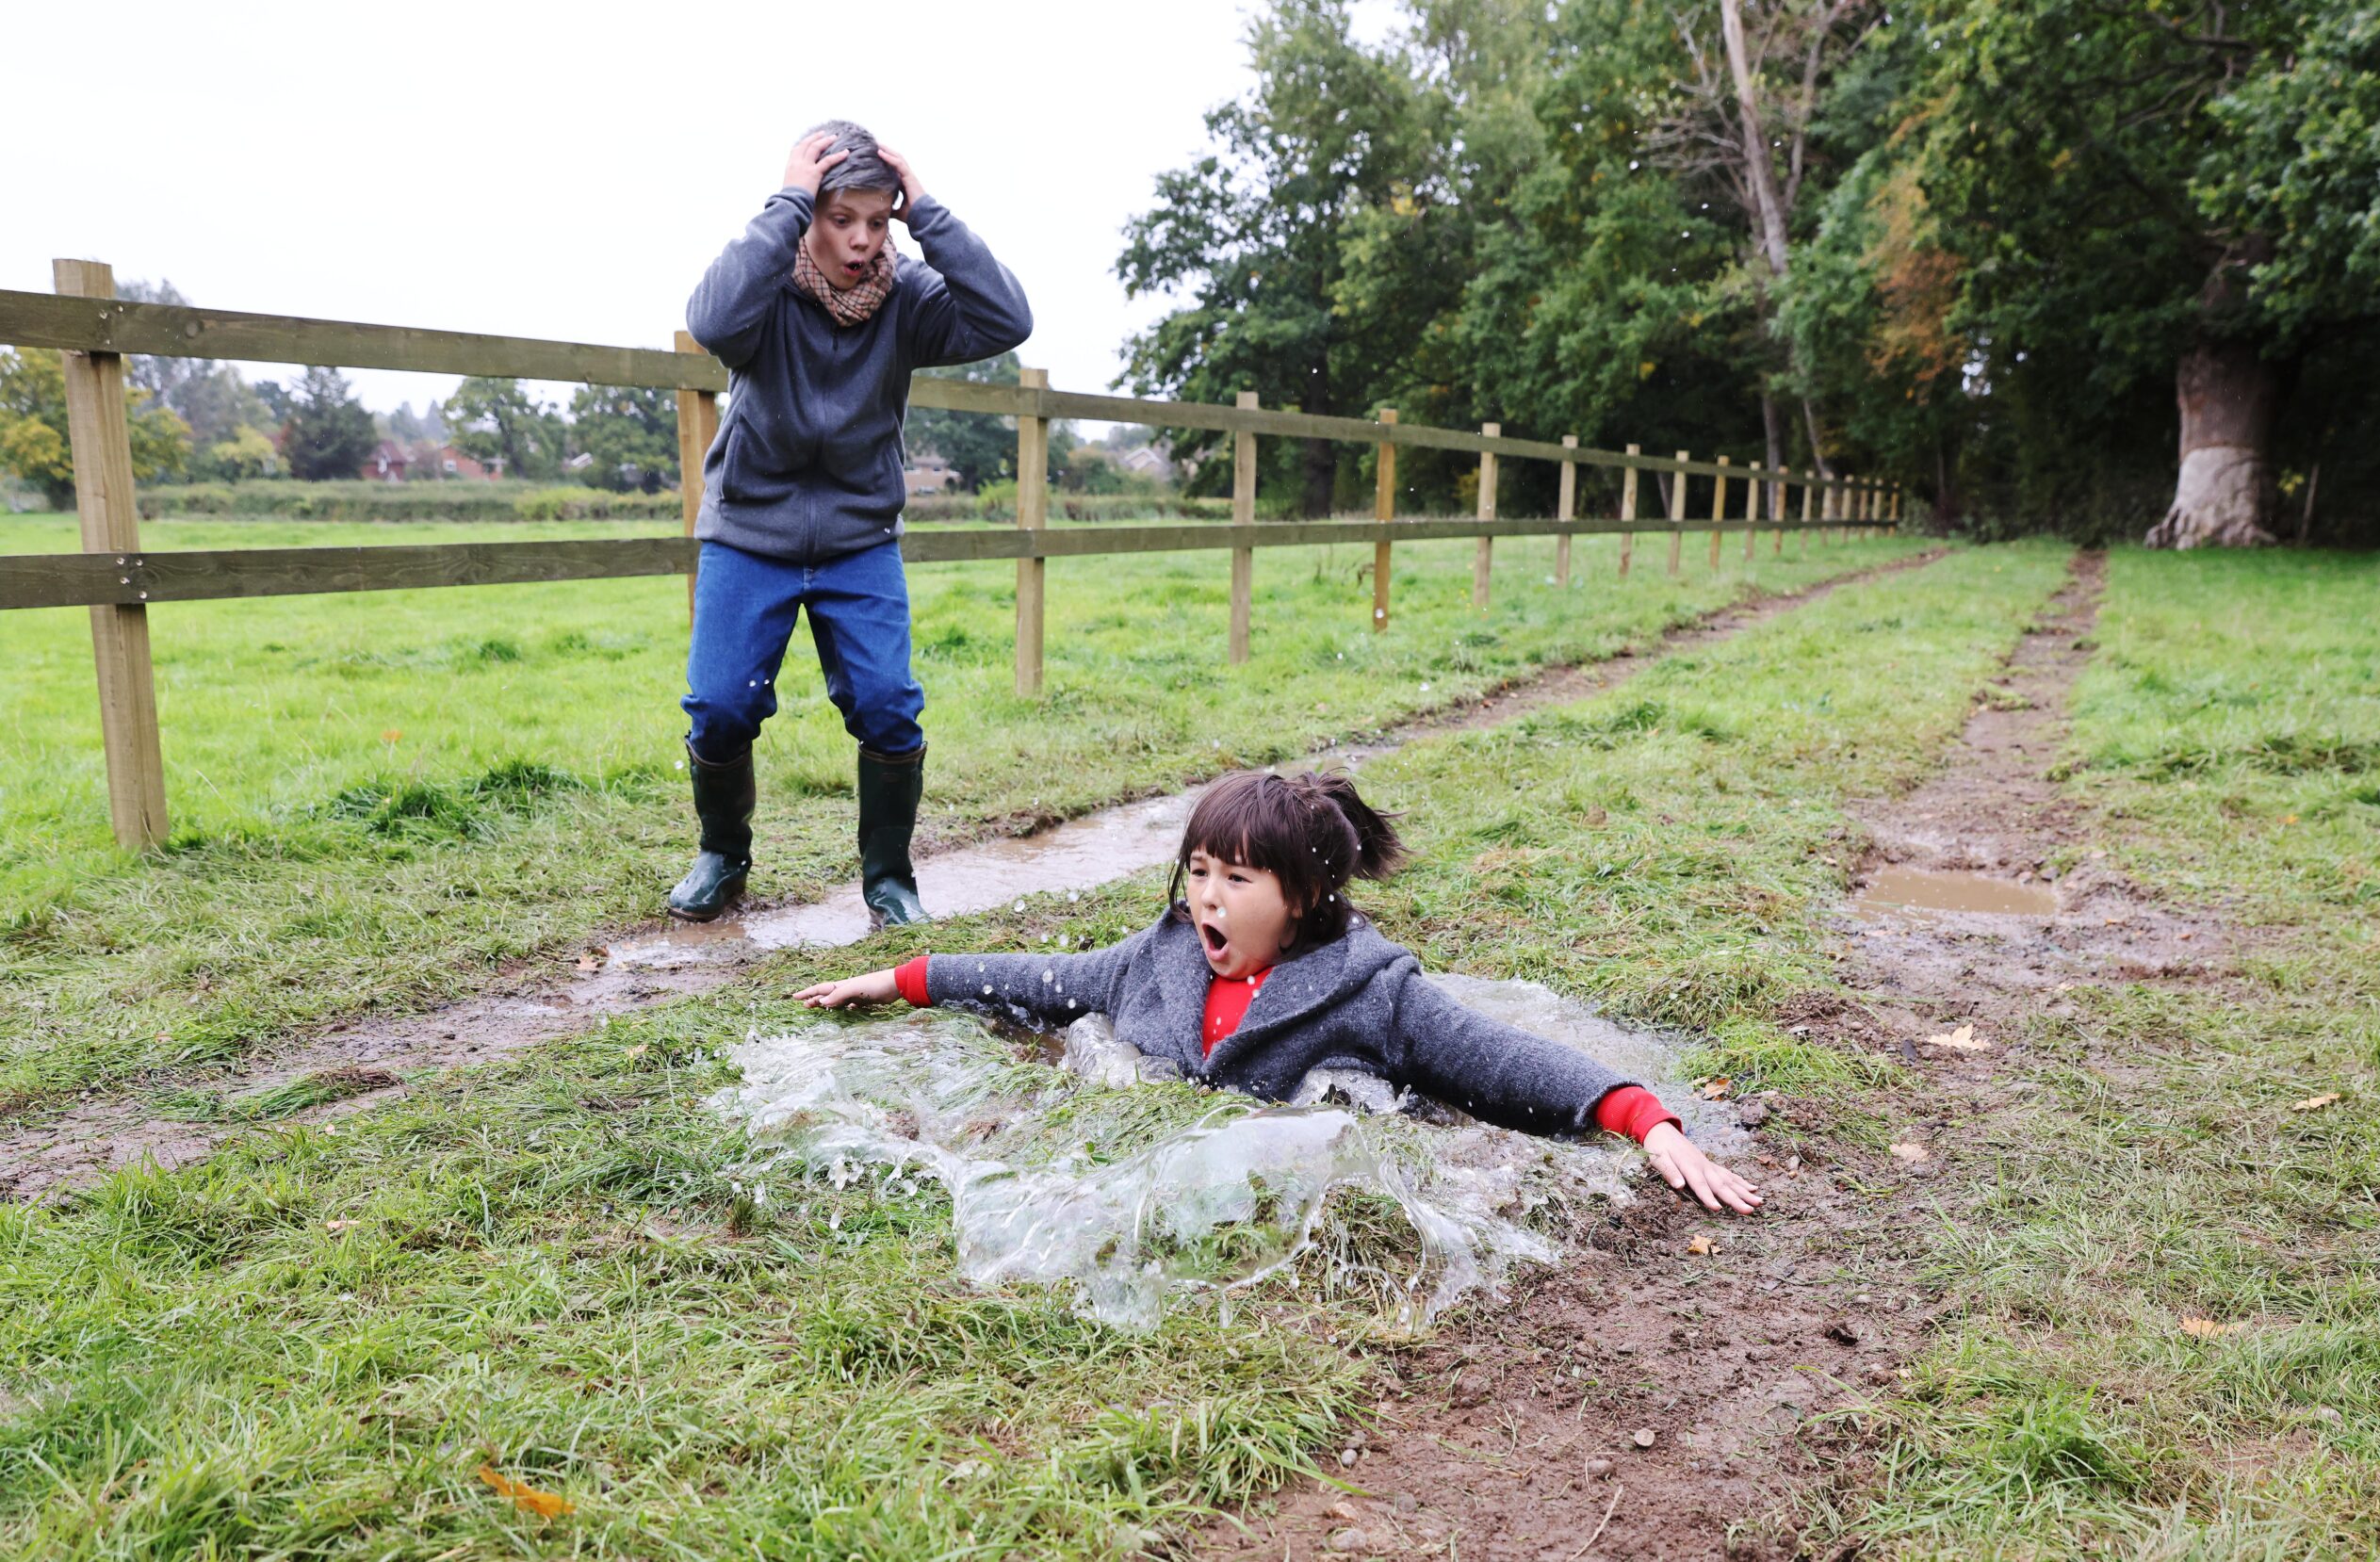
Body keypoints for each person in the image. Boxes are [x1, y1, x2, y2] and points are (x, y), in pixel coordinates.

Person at [792, 771, 1764, 1213]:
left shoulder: (1373, 991)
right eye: (1200, 869)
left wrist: (1645, 1118)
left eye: (1237, 879)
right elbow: (1042, 981)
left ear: (1299, 900)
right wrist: (902, 978)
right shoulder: (1160, 953)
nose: (1207, 895)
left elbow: (1496, 1056)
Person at [672, 121, 1033, 925]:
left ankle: (889, 878)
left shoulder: (909, 301)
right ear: (808, 214)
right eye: (842, 220)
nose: (863, 241)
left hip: (858, 541)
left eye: (878, 220)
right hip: (748, 535)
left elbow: (1007, 320)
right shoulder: (763, 291)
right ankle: (721, 856)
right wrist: (788, 200)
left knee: (887, 705)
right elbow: (713, 322)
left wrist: (928, 212)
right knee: (722, 704)